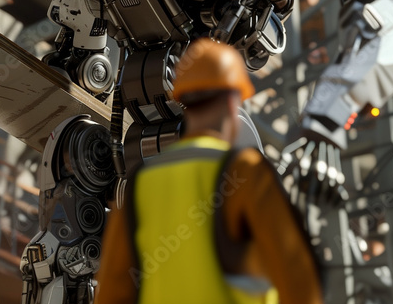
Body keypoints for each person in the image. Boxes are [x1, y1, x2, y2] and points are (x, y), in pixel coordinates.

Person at [94, 38, 323, 304]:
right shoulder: (244, 172)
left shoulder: (140, 183)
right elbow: (297, 277)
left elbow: (112, 290)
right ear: (232, 102)